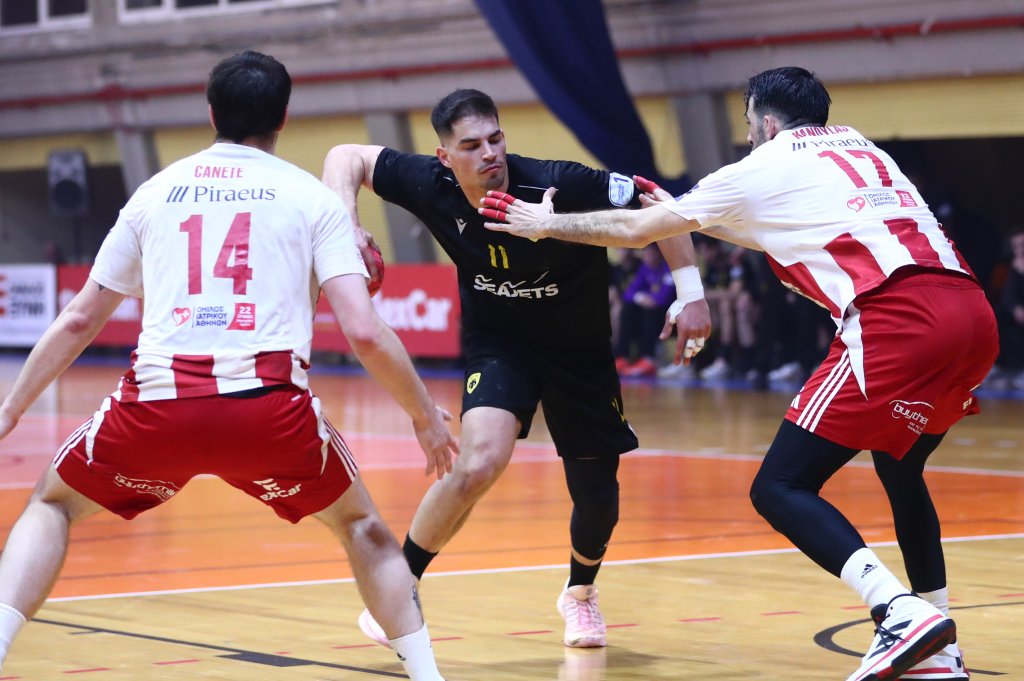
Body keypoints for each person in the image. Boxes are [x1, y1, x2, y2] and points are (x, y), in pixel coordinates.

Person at [481, 66, 997, 680]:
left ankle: (898, 611)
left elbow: (638, 231)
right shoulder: (861, 149)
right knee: (901, 467)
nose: (748, 134)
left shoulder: (766, 161)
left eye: (749, 122)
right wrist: (689, 215)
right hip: (972, 317)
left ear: (767, 122)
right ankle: (939, 651)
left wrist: (545, 225)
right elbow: (773, 228)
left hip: (898, 322)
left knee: (779, 487)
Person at [0, 51, 457, 681]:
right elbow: (364, 332)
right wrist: (425, 417)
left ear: (211, 113)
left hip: (157, 406)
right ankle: (427, 674)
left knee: (51, 506)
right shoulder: (311, 198)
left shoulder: (155, 192)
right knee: (363, 528)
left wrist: (11, 408)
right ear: (284, 117)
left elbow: (80, 319)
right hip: (268, 411)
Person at [322, 88, 711, 649]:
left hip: (578, 350)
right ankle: (398, 589)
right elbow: (345, 157)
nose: (489, 154)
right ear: (445, 157)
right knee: (478, 462)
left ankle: (579, 594)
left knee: (597, 497)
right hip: (499, 344)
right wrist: (347, 225)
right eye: (471, 145)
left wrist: (690, 293)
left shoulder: (559, 182)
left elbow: (658, 204)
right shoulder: (430, 183)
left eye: (495, 139)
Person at [614, 243, 675, 377]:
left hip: (669, 312)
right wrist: (640, 297)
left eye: (650, 253)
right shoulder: (644, 268)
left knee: (650, 312)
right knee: (628, 308)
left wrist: (650, 299)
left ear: (659, 254)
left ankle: (648, 359)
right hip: (649, 309)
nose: (647, 256)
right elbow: (629, 292)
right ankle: (622, 357)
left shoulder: (668, 268)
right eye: (646, 253)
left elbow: (666, 296)